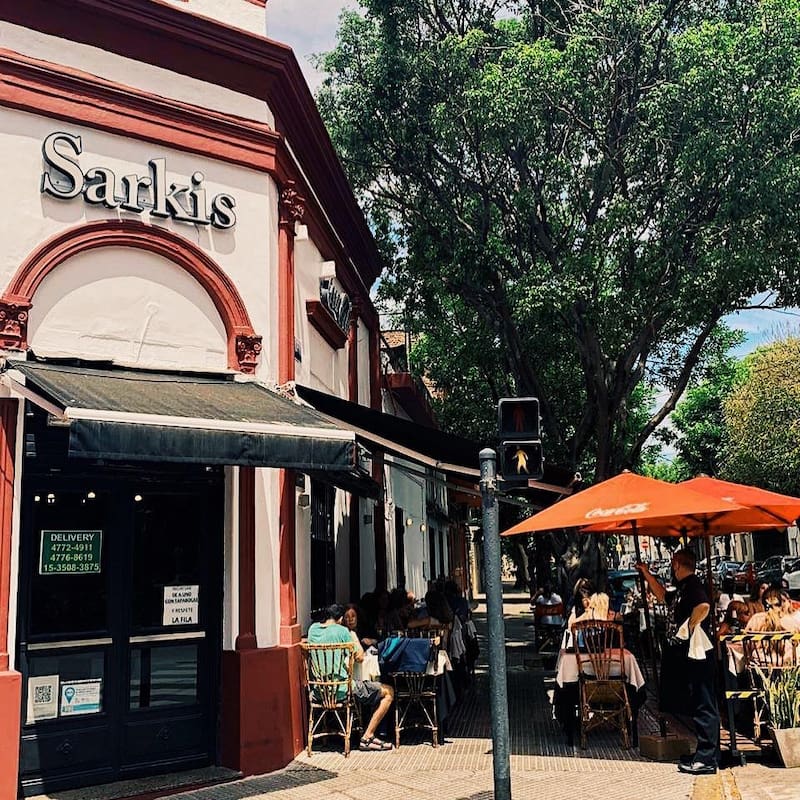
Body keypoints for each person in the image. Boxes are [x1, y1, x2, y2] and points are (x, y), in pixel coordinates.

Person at [637, 549, 719, 775]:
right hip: (688, 656)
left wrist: (691, 627)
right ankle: (704, 753)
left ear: (677, 565)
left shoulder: (693, 585)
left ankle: (707, 758)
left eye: (673, 564)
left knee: (704, 704)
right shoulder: (682, 588)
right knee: (695, 703)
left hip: (698, 654)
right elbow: (663, 595)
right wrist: (646, 573)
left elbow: (703, 606)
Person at [307, 603, 395, 751]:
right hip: (342, 689)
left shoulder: (313, 629)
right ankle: (368, 736)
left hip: (319, 690)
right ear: (341, 619)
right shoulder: (343, 631)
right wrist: (353, 635)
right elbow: (360, 657)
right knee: (388, 692)